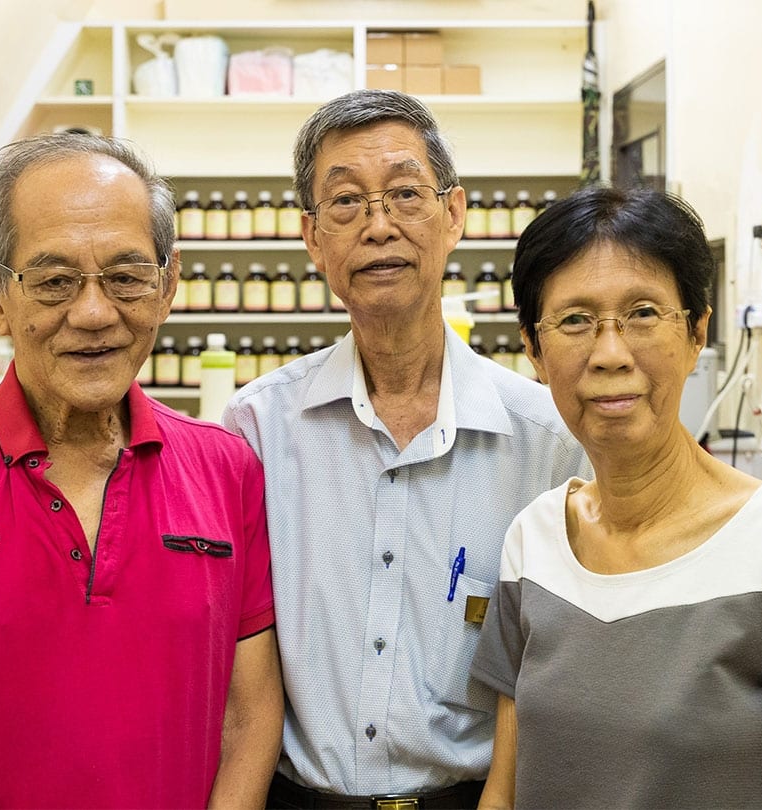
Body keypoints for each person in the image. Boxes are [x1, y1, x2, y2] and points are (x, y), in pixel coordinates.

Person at [0, 133, 282, 809]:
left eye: (125, 277)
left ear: (168, 285)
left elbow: (248, 721)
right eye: (55, 280)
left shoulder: (229, 472)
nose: (94, 314)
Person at [222, 89, 590, 808]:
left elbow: (563, 673)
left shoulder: (546, 440)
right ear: (311, 236)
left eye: (404, 193)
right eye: (346, 202)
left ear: (454, 214)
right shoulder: (257, 431)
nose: (379, 225)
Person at [470, 185, 762, 809]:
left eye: (642, 313)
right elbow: (504, 793)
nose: (610, 354)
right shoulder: (534, 537)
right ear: (533, 348)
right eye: (575, 321)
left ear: (697, 331)